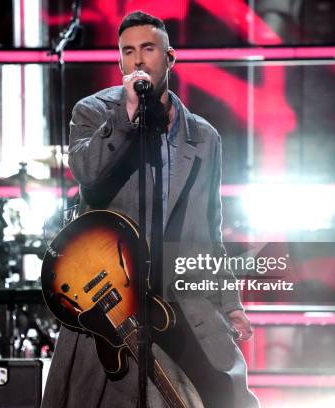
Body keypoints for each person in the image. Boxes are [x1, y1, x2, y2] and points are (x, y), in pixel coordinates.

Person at [41, 11, 259, 408]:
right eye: (128, 52)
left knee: (226, 398)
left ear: (169, 57)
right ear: (121, 61)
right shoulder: (93, 112)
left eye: (148, 49)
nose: (138, 60)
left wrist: (230, 303)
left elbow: (209, 232)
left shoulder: (203, 137)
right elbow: (87, 173)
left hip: (180, 298)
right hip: (113, 299)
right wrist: (124, 118)